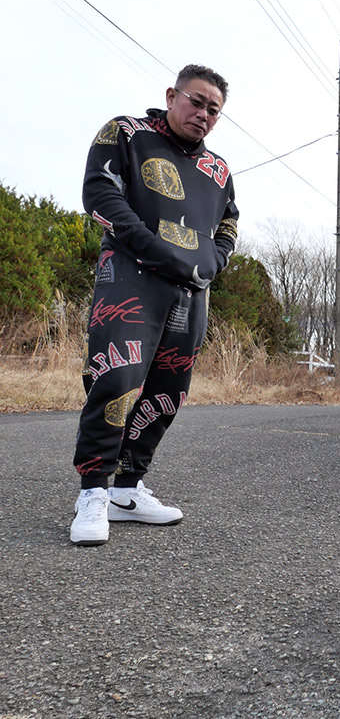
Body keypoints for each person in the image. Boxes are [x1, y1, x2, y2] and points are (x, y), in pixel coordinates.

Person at [69, 64, 239, 546]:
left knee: (168, 390)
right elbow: (99, 192)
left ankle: (126, 488)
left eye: (214, 109)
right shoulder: (126, 132)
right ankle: (93, 490)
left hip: (190, 290)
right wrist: (150, 245)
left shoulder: (218, 169)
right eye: (196, 100)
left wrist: (213, 261)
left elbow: (229, 223)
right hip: (130, 273)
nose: (203, 114)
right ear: (171, 94)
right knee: (117, 377)